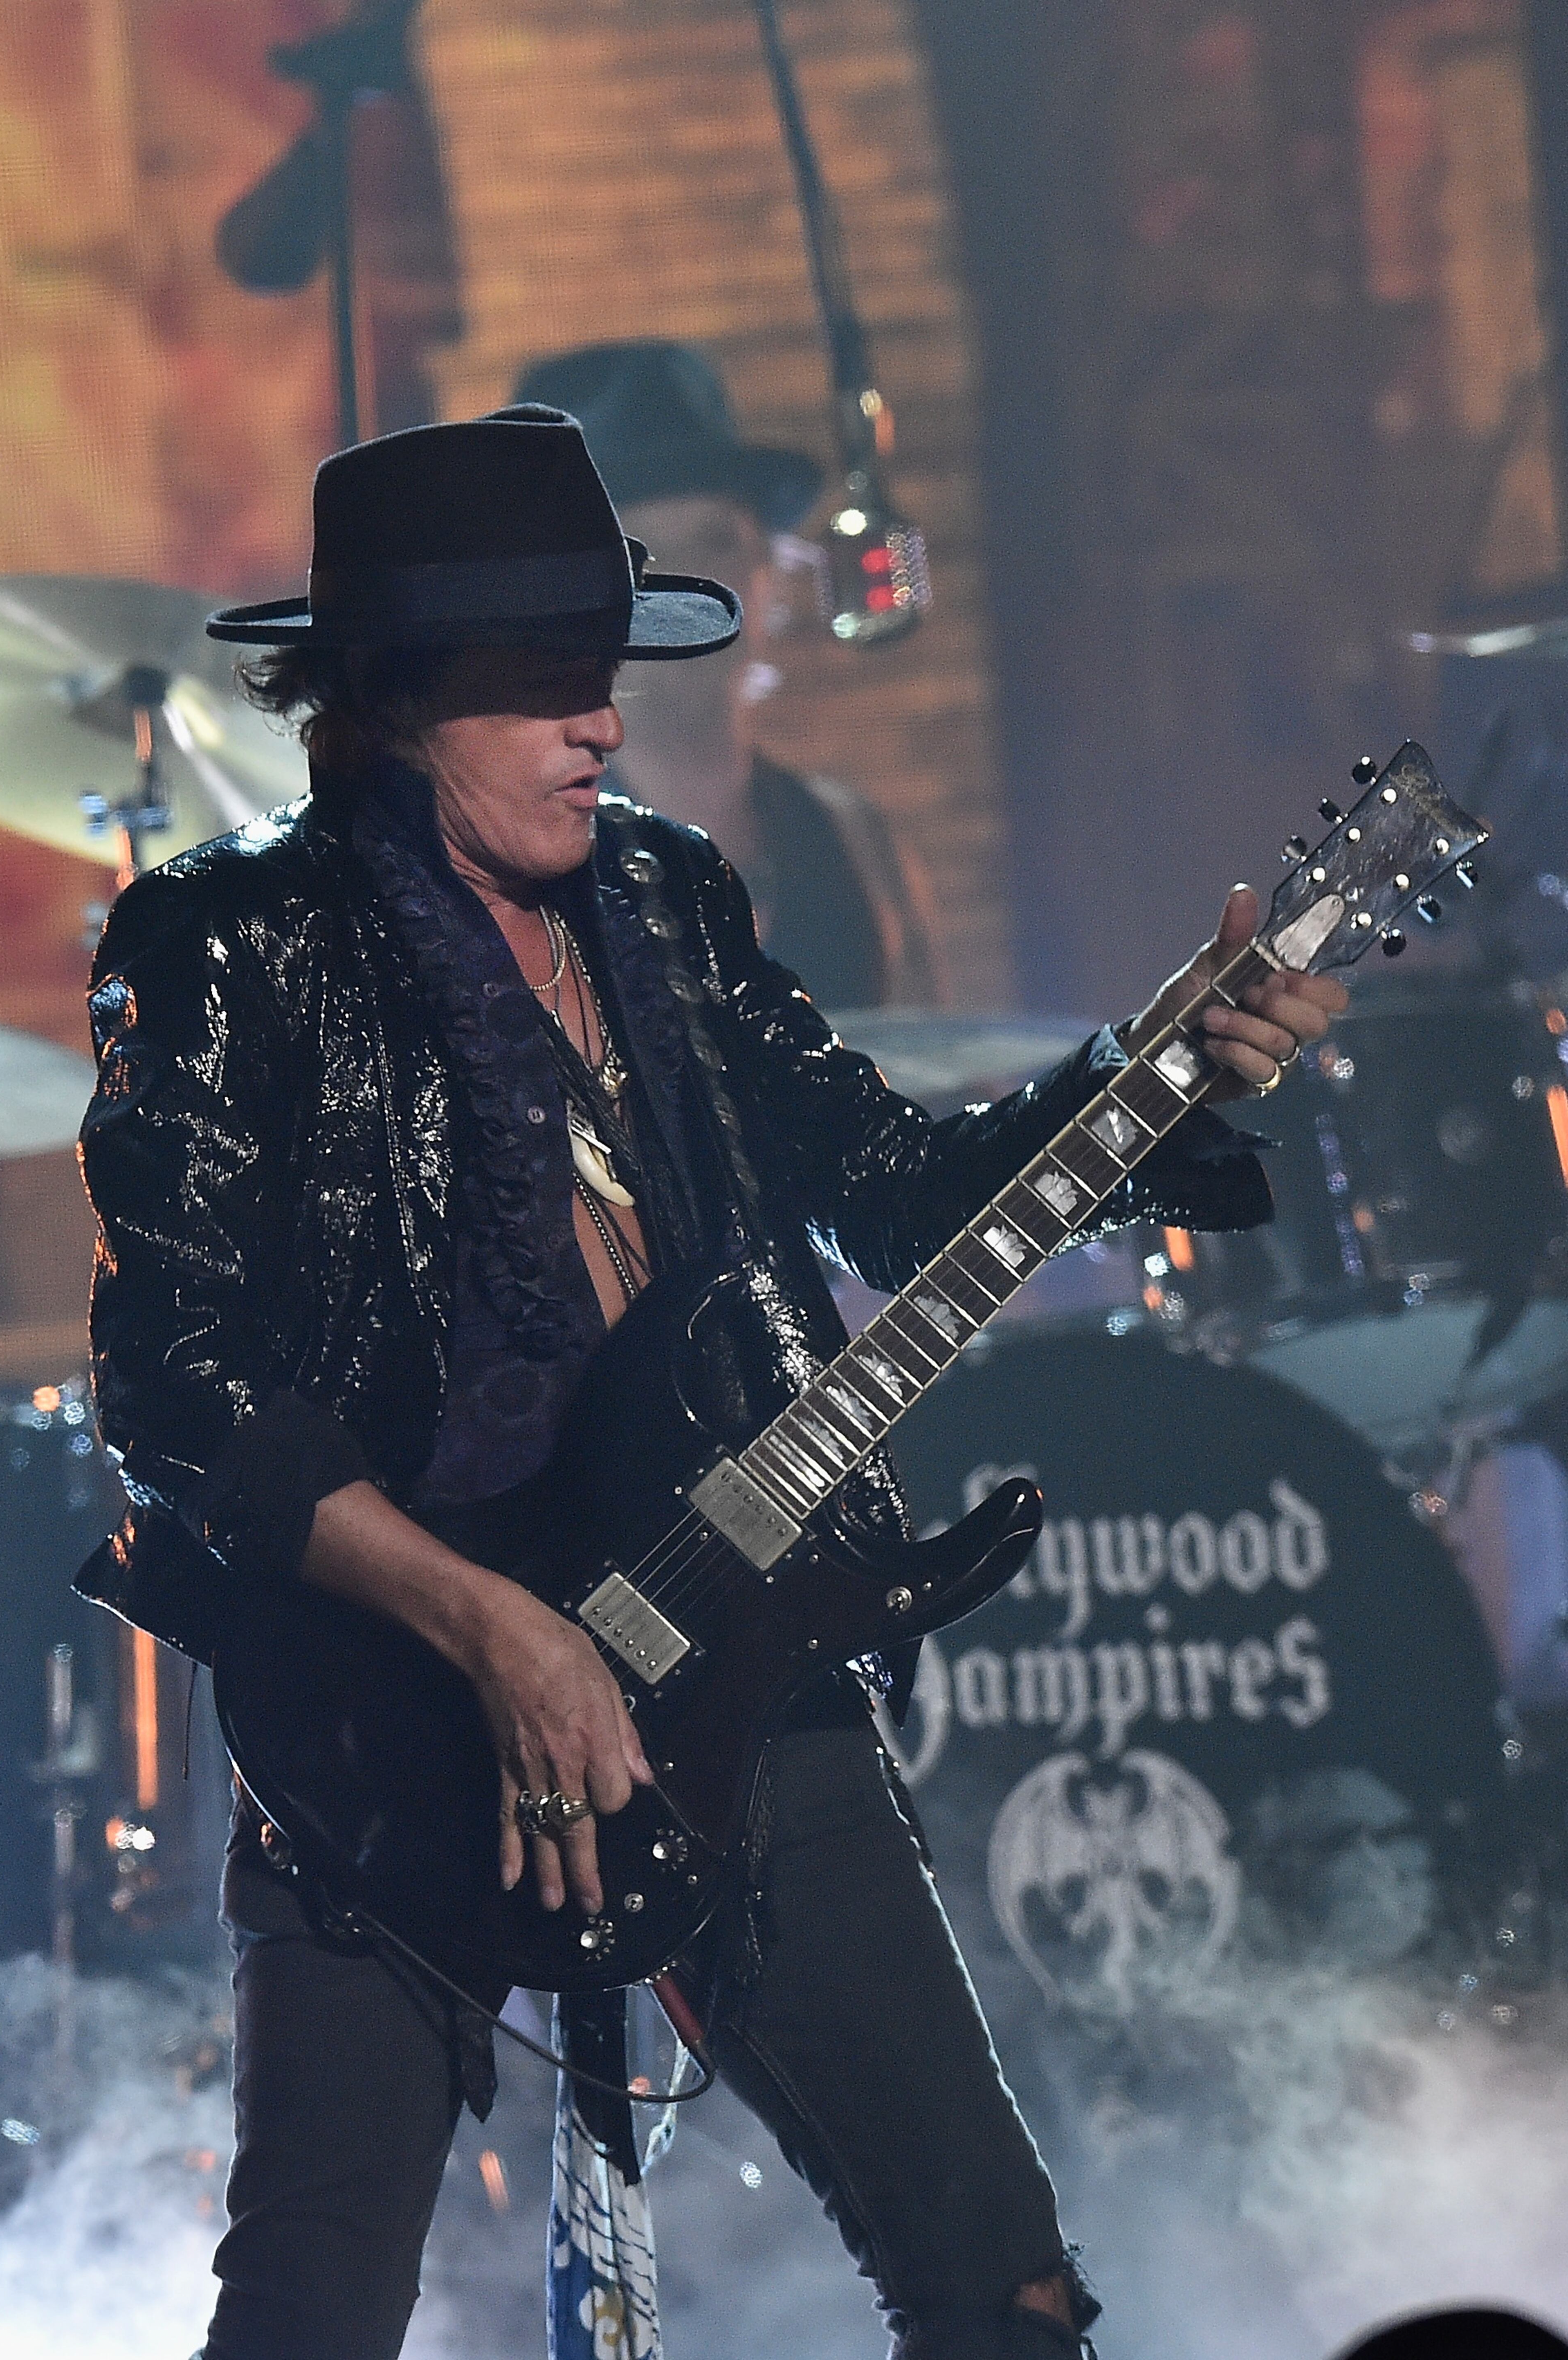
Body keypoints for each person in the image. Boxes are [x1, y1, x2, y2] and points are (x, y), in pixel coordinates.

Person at [74, 407, 1344, 2360]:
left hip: (737, 1631)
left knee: (1002, 2288)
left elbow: (883, 1172)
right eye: (539, 686)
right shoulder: (229, 943)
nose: (602, 724)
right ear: (398, 699)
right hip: (386, 1720)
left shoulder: (662, 897)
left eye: (608, 674)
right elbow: (178, 1378)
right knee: (307, 2312)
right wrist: (495, 1634)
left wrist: (1152, 1071)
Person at [513, 339, 941, 1007]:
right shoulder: (510, 870)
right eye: (640, 557)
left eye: (715, 541)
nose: (686, 586)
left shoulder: (858, 845)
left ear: (771, 575)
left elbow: (944, 1080)